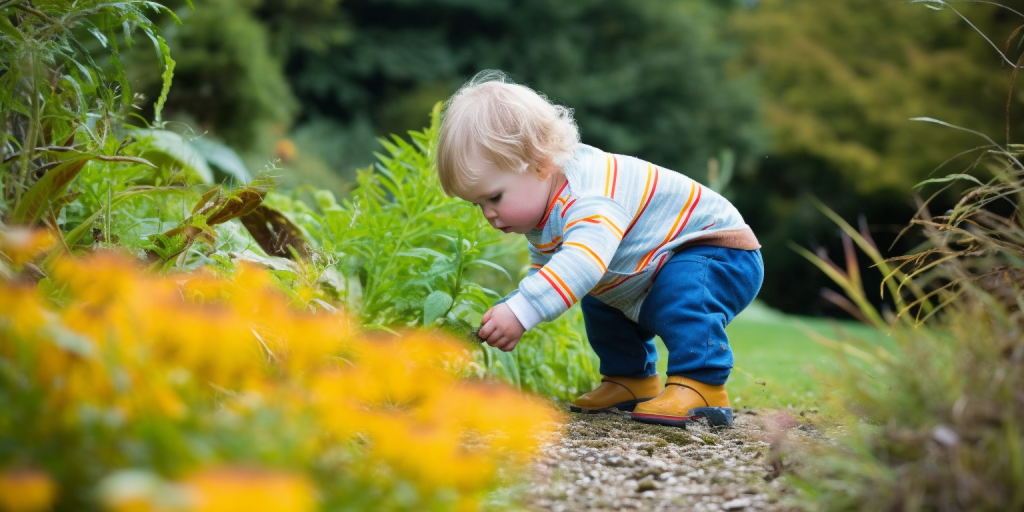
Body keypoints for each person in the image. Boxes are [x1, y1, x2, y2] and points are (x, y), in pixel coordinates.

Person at [434, 71, 763, 428]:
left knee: (680, 289)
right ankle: (631, 378)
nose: (489, 215)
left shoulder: (589, 194)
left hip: (716, 252)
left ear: (541, 163)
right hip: (653, 263)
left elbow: (581, 264)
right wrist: (516, 306)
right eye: (477, 204)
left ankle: (702, 385)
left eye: (494, 197)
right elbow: (554, 273)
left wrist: (523, 309)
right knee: (597, 295)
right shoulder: (546, 210)